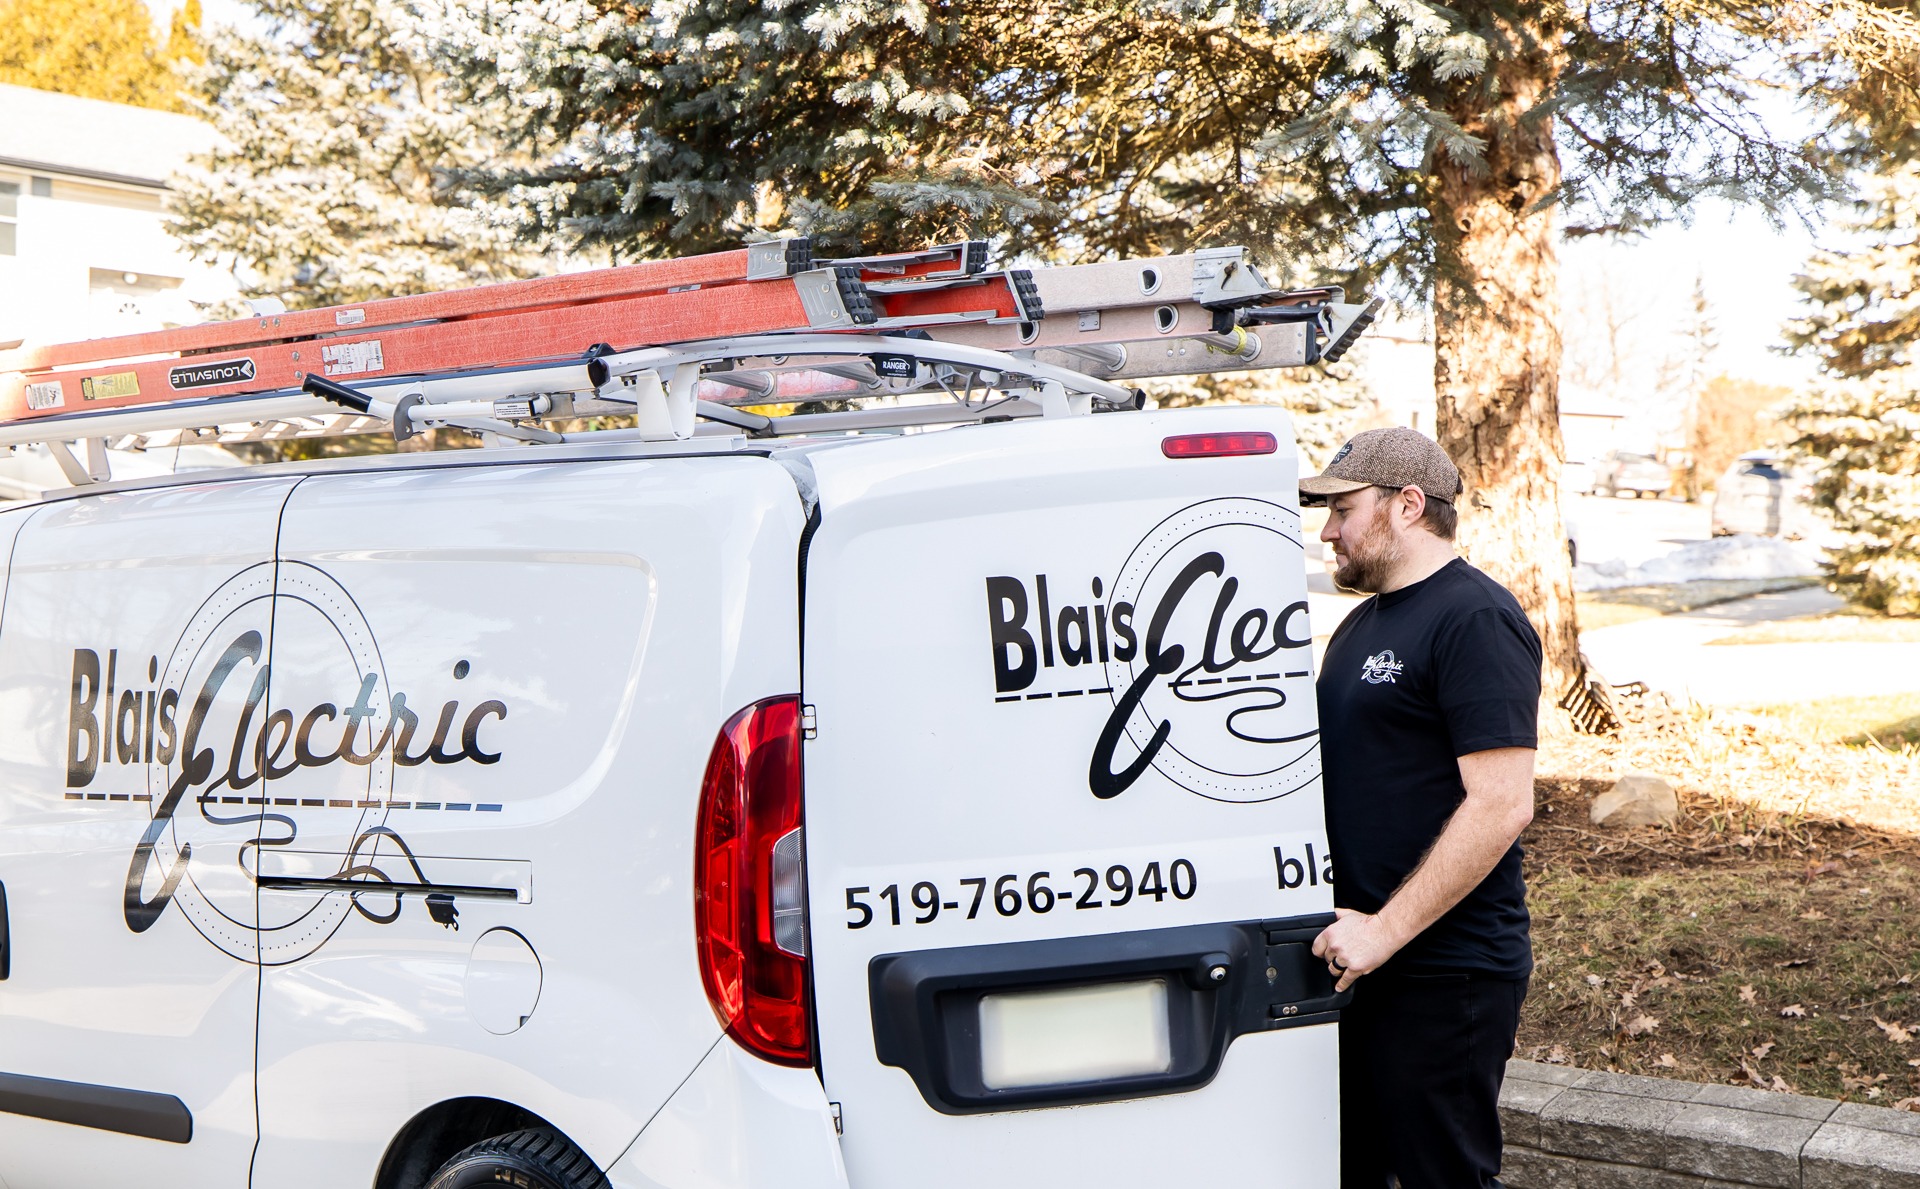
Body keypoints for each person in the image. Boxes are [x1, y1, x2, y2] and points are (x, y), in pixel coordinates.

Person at [1300, 427, 1541, 1189]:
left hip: (1444, 971)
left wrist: (1387, 931)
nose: (1328, 530)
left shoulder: (1474, 617)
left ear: (1408, 504)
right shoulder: (1359, 627)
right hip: (1358, 961)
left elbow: (1502, 804)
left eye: (1342, 508)